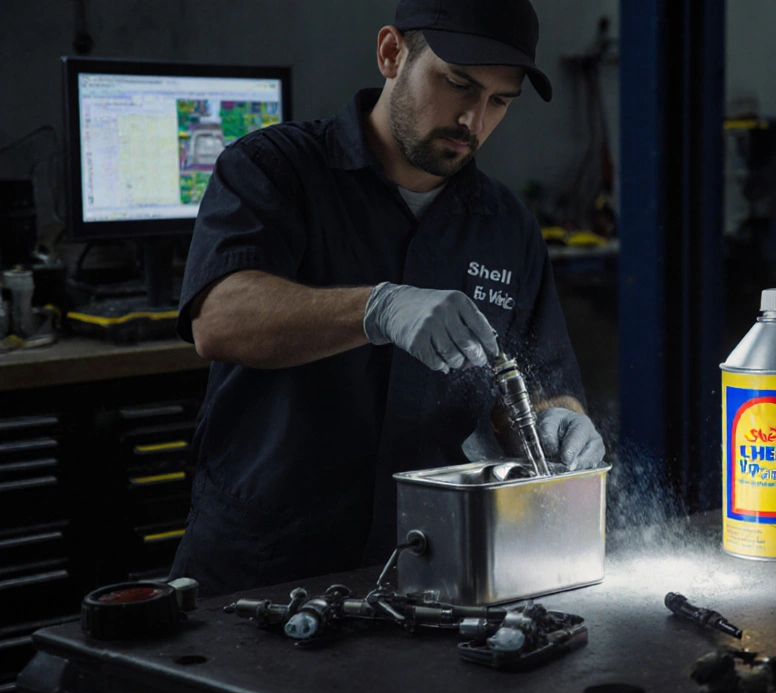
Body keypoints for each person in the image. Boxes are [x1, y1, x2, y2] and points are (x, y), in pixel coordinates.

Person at [169, 0, 605, 597]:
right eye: (458, 84)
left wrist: (559, 426)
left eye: (499, 101)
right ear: (392, 53)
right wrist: (377, 309)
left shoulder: (506, 226)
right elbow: (217, 319)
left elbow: (534, 385)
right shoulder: (272, 170)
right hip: (264, 566)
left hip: (431, 567)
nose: (473, 120)